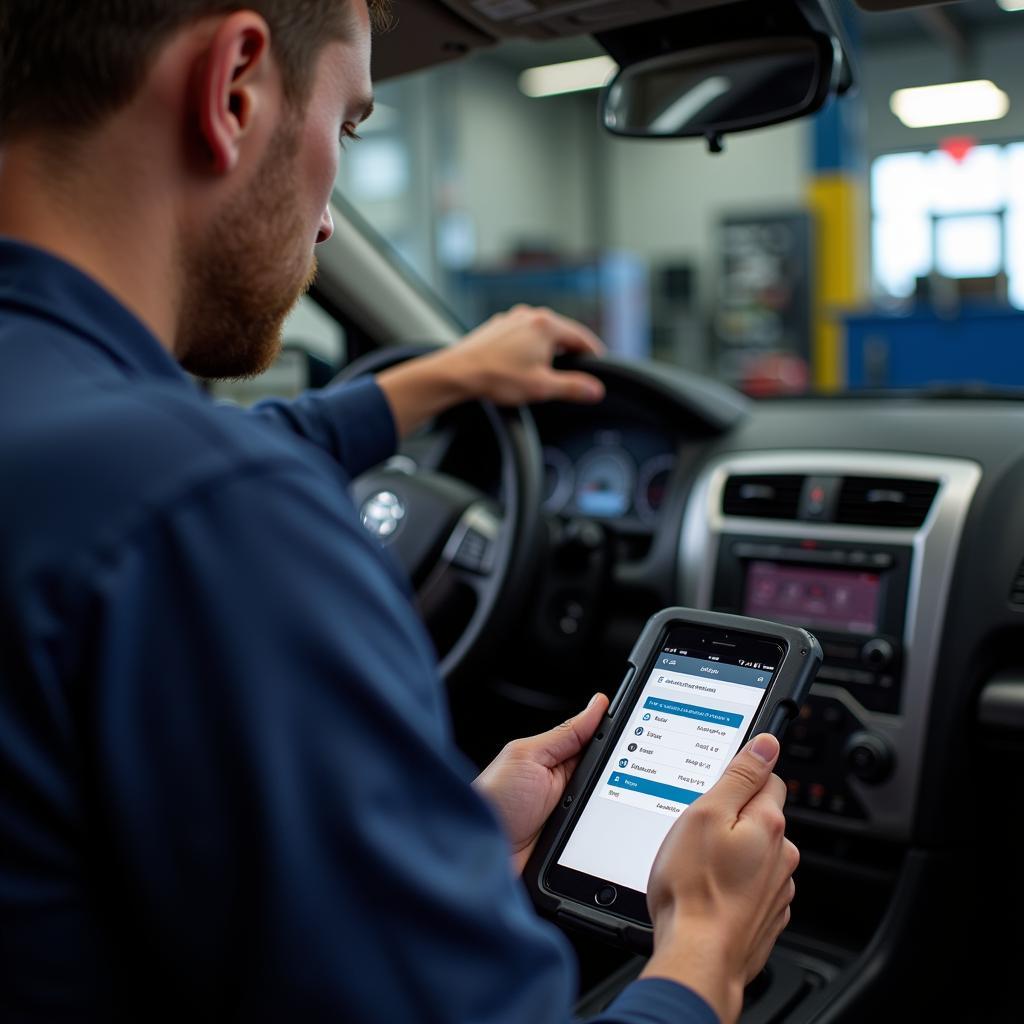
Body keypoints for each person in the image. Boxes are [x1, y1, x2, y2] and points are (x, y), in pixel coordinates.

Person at [0, 2, 799, 1022]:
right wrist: (703, 955)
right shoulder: (223, 525)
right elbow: (205, 486)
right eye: (348, 126)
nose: (330, 219)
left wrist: (415, 842)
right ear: (233, 87)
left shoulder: (100, 457)